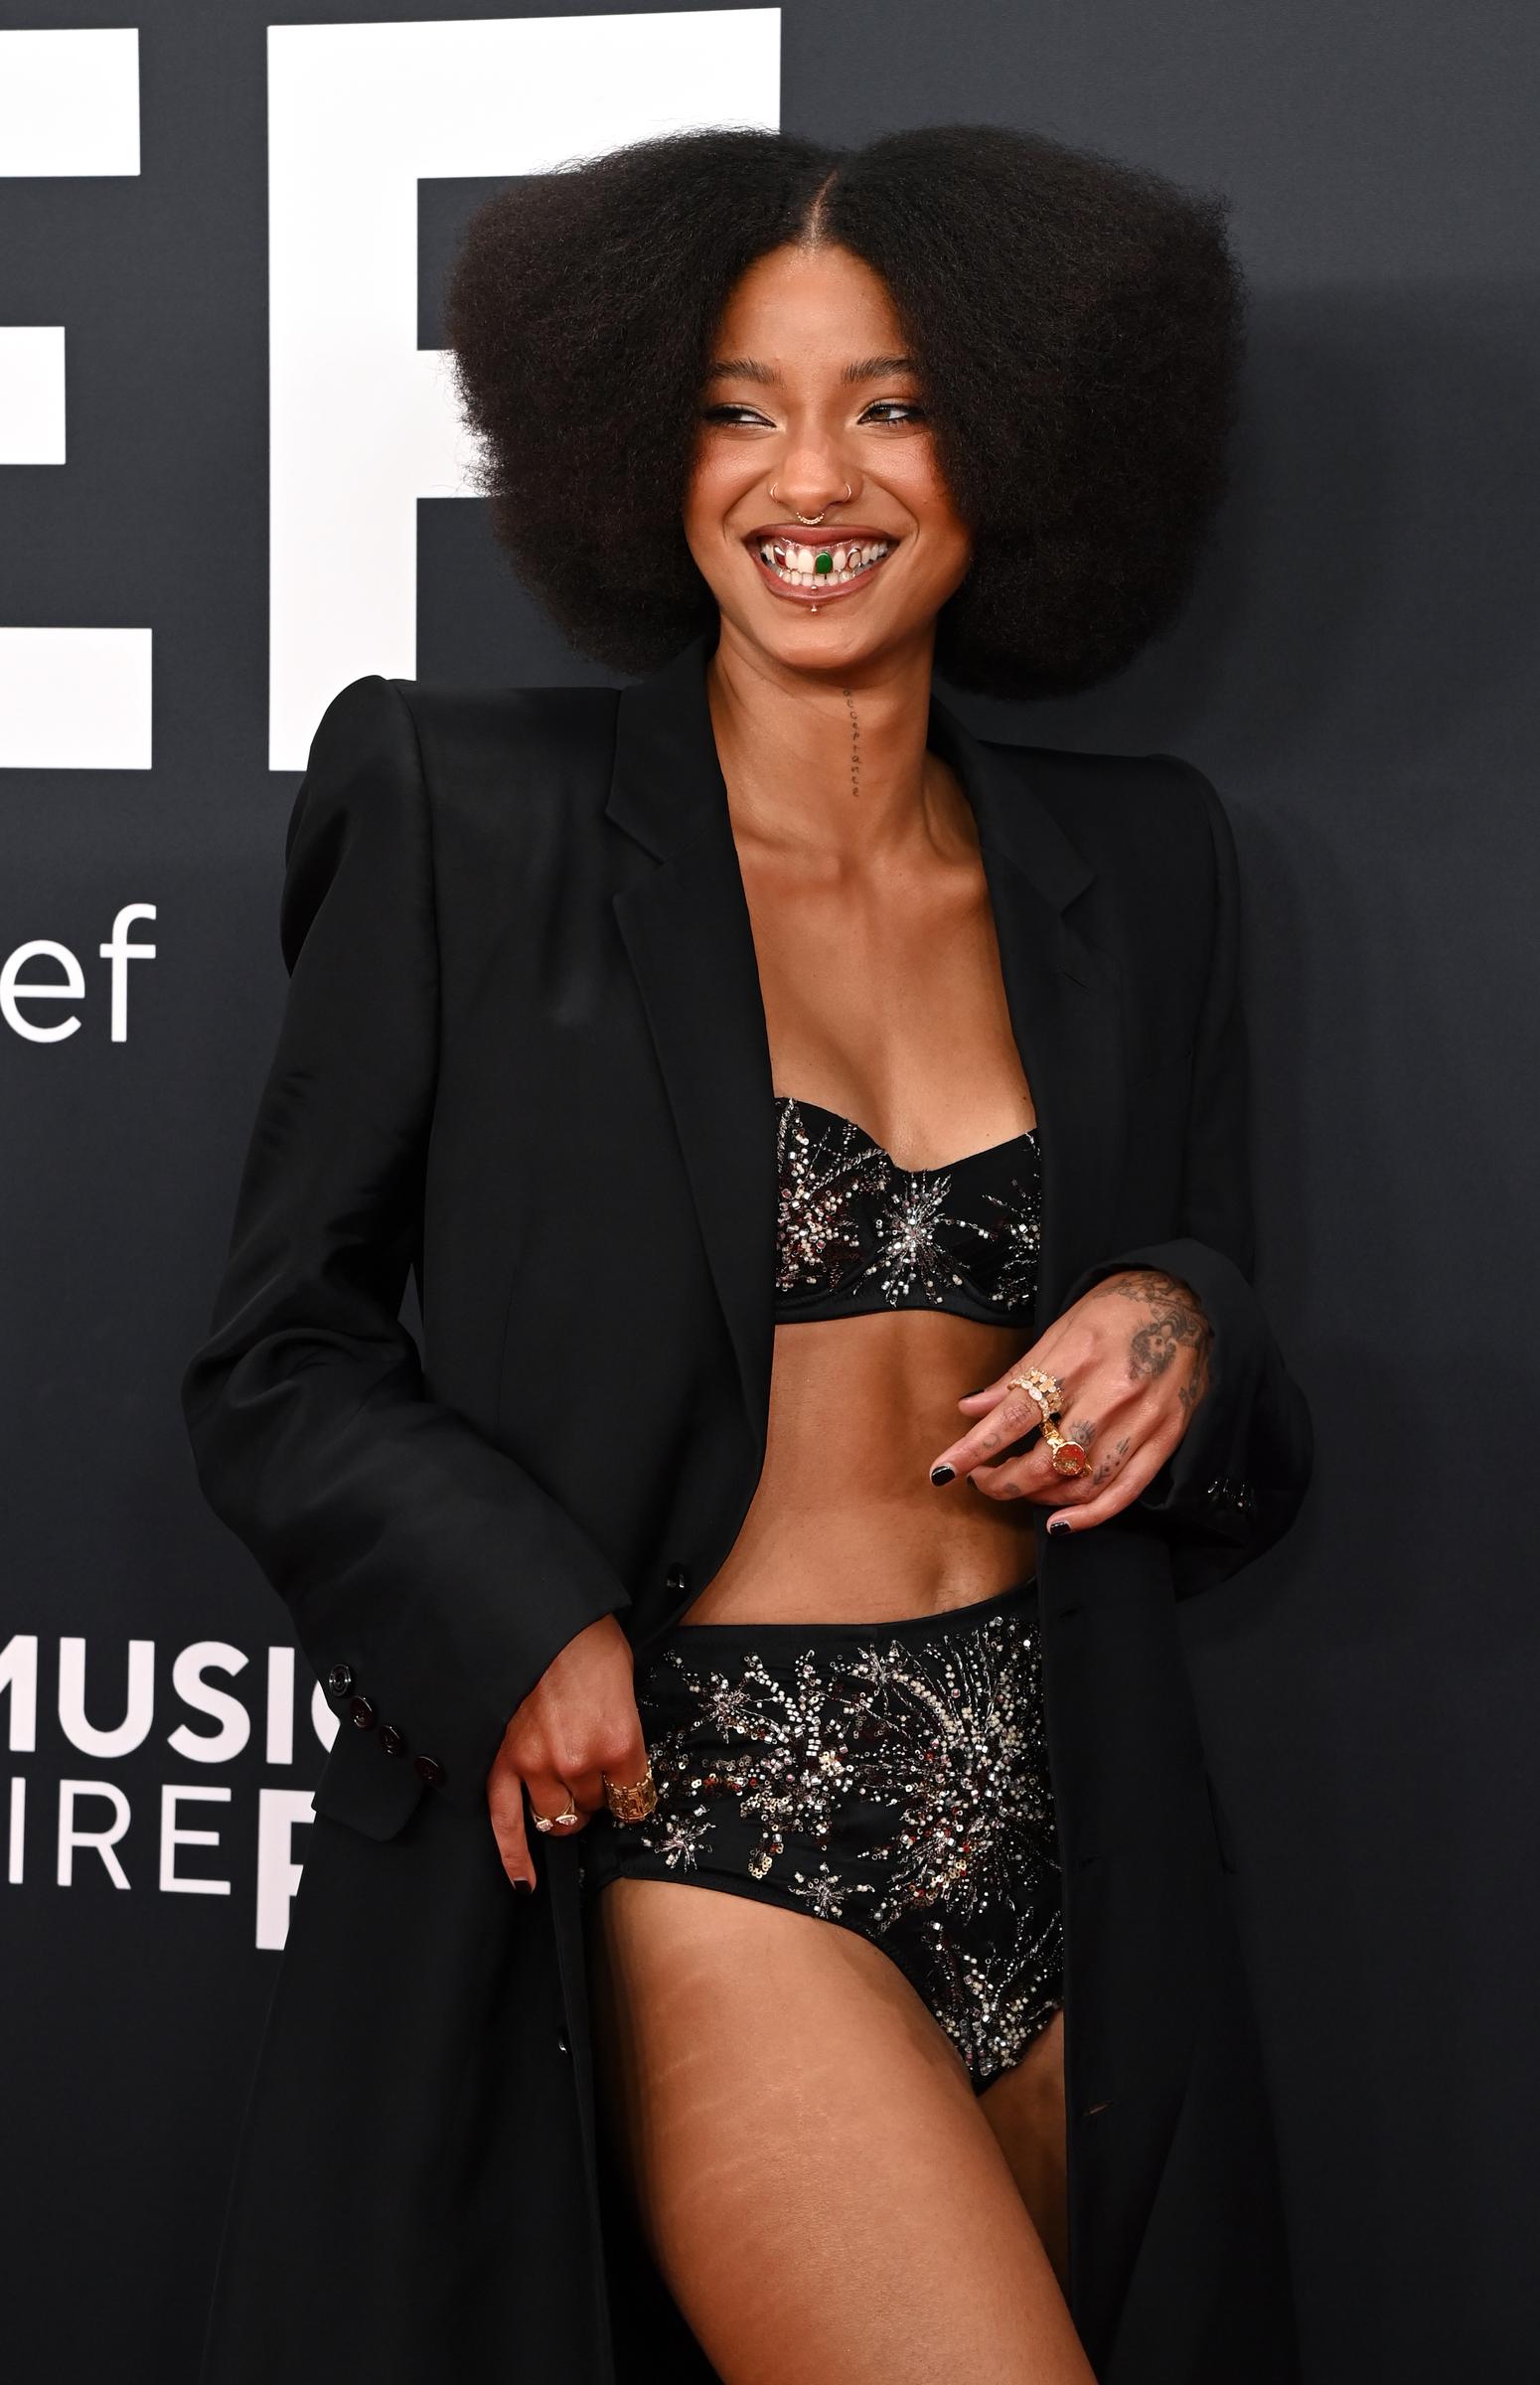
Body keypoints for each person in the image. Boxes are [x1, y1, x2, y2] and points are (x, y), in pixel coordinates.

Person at [182, 124, 1312, 2385]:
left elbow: (1254, 1436)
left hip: (1072, 1832)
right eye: (734, 404)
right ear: (635, 442)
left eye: (892, 402)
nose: (814, 475)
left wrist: (1187, 1333)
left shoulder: (1146, 864)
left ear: (1016, 437)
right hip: (708, 1824)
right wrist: (513, 1617)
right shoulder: (456, 812)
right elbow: (280, 1355)